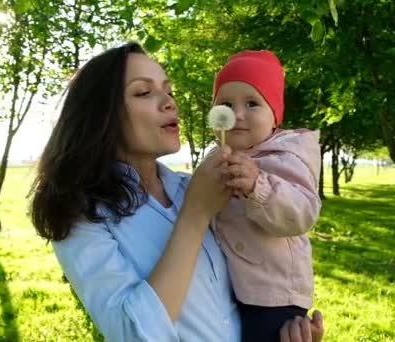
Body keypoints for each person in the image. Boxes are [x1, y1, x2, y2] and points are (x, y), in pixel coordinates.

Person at [30, 42, 323, 341]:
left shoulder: (195, 187)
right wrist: (195, 215)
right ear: (101, 114)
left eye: (168, 91)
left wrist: (281, 330)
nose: (170, 103)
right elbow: (131, 333)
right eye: (144, 92)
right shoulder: (83, 216)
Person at [211, 50, 322, 342]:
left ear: (275, 117)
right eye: (225, 104)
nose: (237, 114)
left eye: (252, 103)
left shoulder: (285, 156)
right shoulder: (217, 157)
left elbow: (302, 213)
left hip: (274, 297)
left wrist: (258, 185)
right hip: (234, 289)